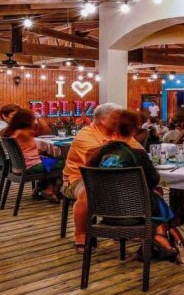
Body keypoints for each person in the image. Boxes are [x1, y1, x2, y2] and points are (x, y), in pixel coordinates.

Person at [87, 110, 176, 256]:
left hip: (105, 213)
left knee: (153, 197)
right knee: (156, 197)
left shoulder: (96, 155)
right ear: (134, 130)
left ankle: (158, 236)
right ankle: (159, 235)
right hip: (136, 214)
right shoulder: (138, 155)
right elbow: (154, 180)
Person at [62, 103, 144, 253]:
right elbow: (100, 162)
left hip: (116, 177)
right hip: (79, 178)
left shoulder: (118, 133)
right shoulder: (86, 135)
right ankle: (81, 234)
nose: (122, 120)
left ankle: (129, 227)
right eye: (117, 117)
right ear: (104, 120)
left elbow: (140, 151)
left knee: (152, 189)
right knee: (87, 193)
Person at [2, 108, 63, 203]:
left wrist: (38, 151)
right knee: (64, 163)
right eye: (32, 119)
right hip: (30, 167)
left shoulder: (14, 132)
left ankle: (44, 187)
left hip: (20, 166)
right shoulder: (23, 132)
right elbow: (46, 131)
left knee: (51, 160)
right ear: (25, 121)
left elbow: (25, 149)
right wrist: (38, 116)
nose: (34, 122)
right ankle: (50, 190)